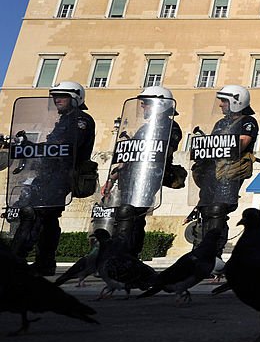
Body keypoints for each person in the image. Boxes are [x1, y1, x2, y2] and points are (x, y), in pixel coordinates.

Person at [10, 81, 96, 275]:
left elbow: (64, 147)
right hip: (49, 174)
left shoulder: (80, 120)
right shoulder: (65, 120)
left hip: (62, 175)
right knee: (47, 218)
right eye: (55, 95)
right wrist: (26, 145)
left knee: (35, 212)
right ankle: (45, 262)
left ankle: (16, 259)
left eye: (63, 96)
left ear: (76, 98)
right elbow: (51, 147)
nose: (57, 99)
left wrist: (34, 147)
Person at [105, 86, 182, 258]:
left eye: (146, 103)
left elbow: (164, 152)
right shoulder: (143, 129)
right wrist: (111, 179)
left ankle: (129, 256)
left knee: (134, 214)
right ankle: (118, 254)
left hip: (148, 176)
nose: (143, 107)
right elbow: (127, 157)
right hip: (129, 177)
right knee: (122, 214)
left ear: (160, 104)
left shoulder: (171, 128)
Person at [191, 85, 259, 256]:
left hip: (231, 171)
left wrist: (216, 145)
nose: (220, 105)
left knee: (218, 210)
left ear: (236, 101)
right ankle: (202, 252)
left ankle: (214, 254)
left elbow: (241, 143)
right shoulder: (221, 123)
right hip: (212, 172)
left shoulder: (247, 121)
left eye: (224, 101)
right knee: (206, 209)